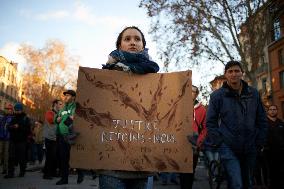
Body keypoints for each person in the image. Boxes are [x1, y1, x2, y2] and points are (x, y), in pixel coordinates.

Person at [100, 26, 159, 189]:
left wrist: (181, 136)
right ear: (119, 46)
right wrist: (79, 131)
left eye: (137, 39)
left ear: (143, 45)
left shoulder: (157, 80)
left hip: (143, 165)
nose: (133, 42)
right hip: (111, 167)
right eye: (127, 39)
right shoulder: (102, 77)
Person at [206, 61, 268, 189]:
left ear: (242, 74)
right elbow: (210, 122)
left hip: (250, 146)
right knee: (236, 184)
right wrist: (219, 142)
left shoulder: (253, 93)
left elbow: (261, 118)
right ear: (226, 75)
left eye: (236, 71)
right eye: (230, 71)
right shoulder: (217, 96)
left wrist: (260, 141)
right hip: (228, 146)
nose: (234, 74)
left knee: (248, 183)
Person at [180, 85, 207, 189]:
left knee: (190, 171)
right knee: (183, 171)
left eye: (193, 91)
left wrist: (199, 141)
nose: (191, 92)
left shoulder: (202, 110)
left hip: (193, 144)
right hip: (180, 143)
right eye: (189, 90)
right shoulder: (178, 105)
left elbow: (205, 128)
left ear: (196, 94)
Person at [4, 102, 31, 178]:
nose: (17, 111)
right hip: (13, 140)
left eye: (18, 110)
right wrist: (12, 127)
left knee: (21, 157)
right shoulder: (13, 117)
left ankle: (22, 172)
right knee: (11, 157)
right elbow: (8, 127)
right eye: (16, 110)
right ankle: (10, 173)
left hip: (22, 141)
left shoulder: (26, 118)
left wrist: (19, 127)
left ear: (21, 110)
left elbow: (28, 130)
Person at [43, 99, 63, 179]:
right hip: (49, 137)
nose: (61, 106)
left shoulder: (59, 113)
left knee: (55, 156)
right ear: (55, 104)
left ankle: (53, 172)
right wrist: (61, 118)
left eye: (61, 104)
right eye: (60, 104)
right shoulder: (49, 112)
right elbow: (51, 120)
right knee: (49, 156)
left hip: (56, 137)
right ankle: (46, 174)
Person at [266, 105, 284, 189]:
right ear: (268, 111)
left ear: (277, 111)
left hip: (281, 151)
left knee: (281, 171)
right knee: (271, 171)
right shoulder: (264, 123)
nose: (273, 111)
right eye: (271, 109)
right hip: (269, 152)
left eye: (274, 109)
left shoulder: (281, 122)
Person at [0, 104, 14, 174]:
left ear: (12, 110)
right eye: (7, 109)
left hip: (8, 138)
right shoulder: (2, 117)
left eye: (9, 109)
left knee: (6, 154)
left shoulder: (13, 118)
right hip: (1, 137)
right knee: (1, 153)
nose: (8, 110)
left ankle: (5, 169)